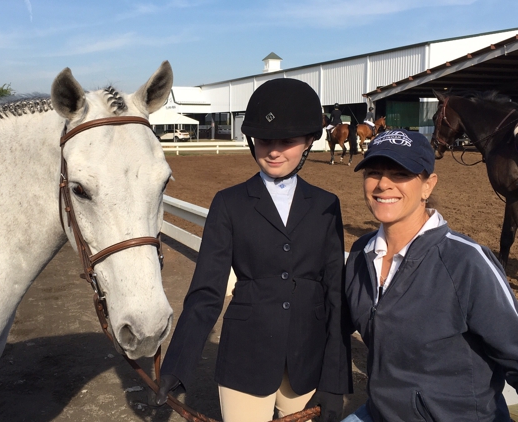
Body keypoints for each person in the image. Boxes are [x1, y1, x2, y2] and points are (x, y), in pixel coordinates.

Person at [154, 78, 353, 422]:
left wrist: (335, 381)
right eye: (264, 140)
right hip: (245, 357)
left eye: (287, 141)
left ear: (308, 141)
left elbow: (335, 293)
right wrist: (177, 363)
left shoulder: (326, 205)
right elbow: (206, 291)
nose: (274, 151)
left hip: (308, 358)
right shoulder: (228, 203)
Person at [343, 129, 518, 421]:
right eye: (373, 172)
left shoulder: (465, 261)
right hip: (380, 413)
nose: (383, 184)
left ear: (428, 185)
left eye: (400, 173)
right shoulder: (362, 253)